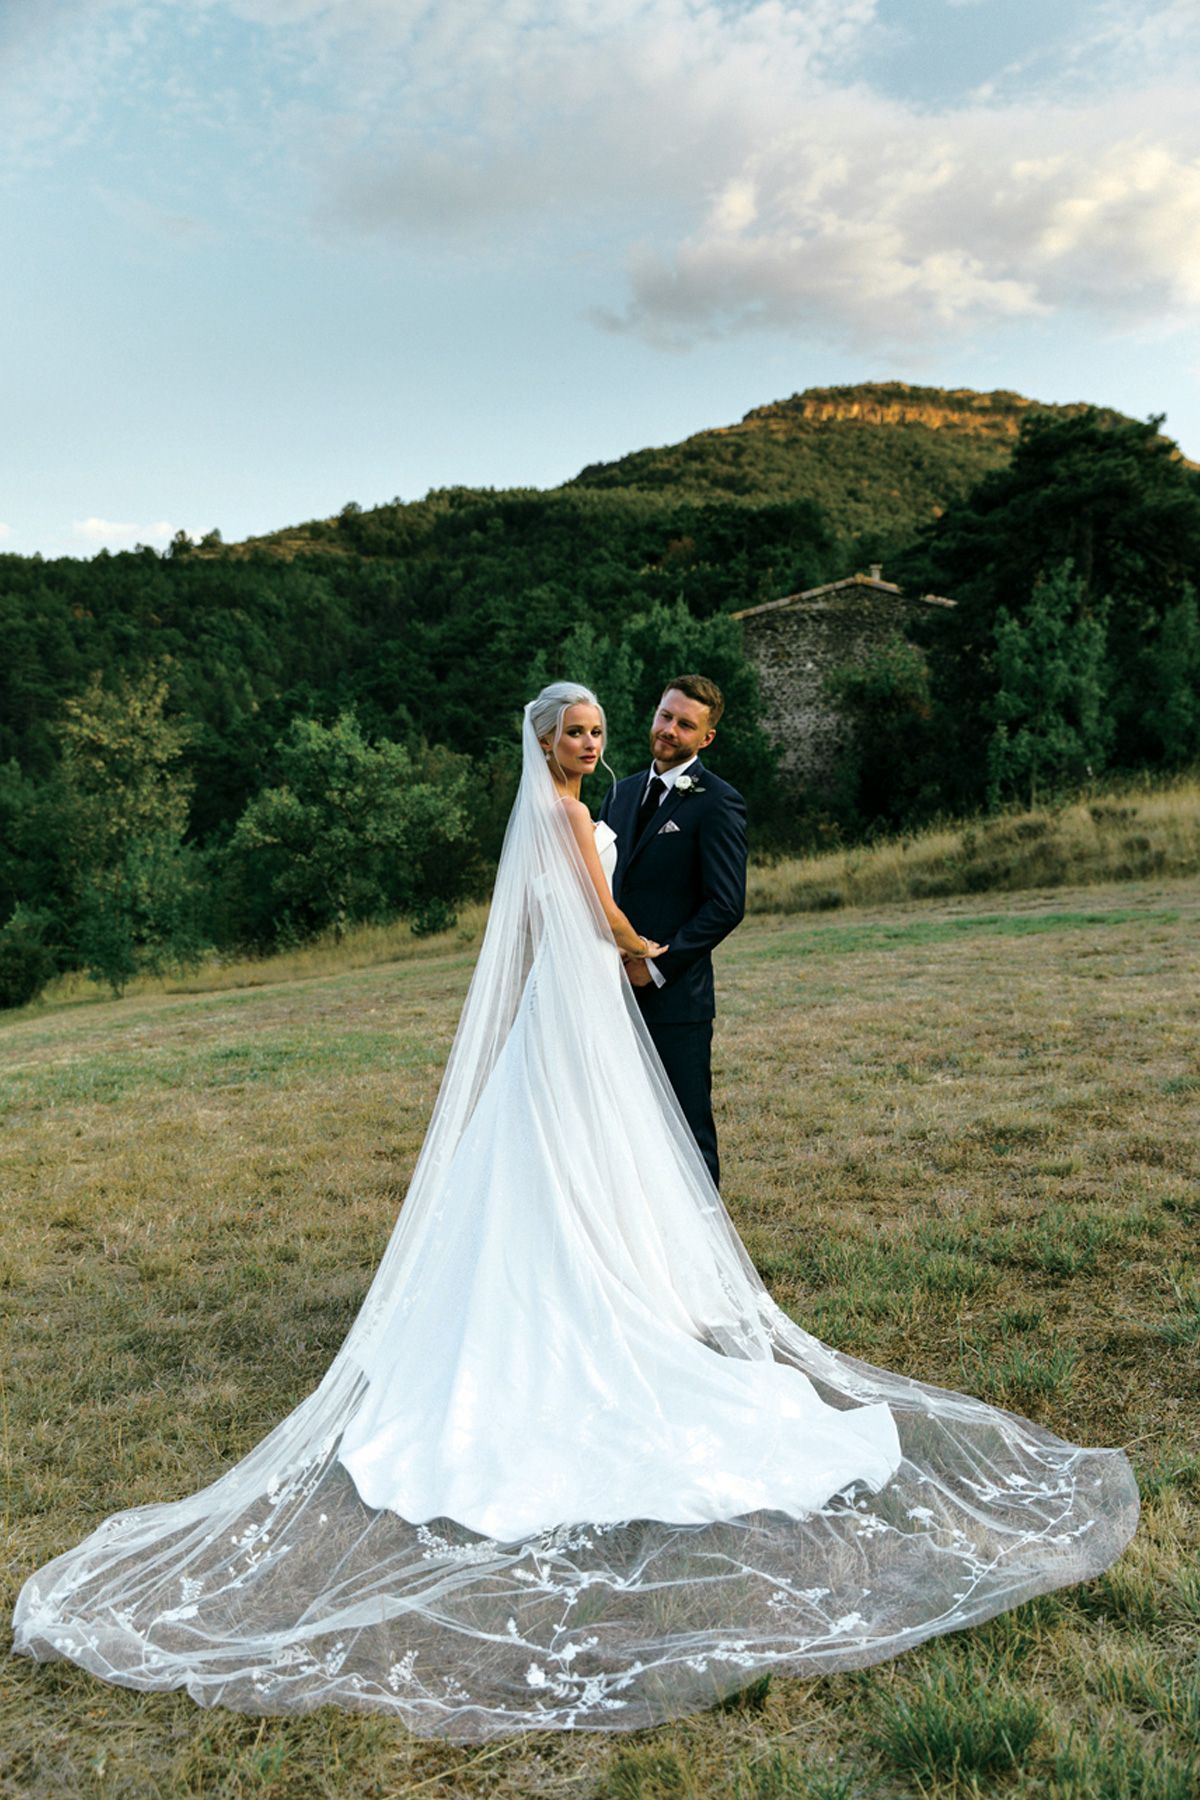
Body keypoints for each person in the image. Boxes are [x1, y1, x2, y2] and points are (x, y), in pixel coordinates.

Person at [13, 682, 1138, 1739]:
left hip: (606, 1004)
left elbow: (702, 900)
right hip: (587, 1000)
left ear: (687, 735)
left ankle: (631, 1277)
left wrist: (658, 959)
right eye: (586, 731)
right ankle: (596, 1293)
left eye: (610, 730)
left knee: (612, 1149)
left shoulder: (598, 803)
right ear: (548, 739)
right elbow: (599, 910)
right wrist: (635, 951)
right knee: (569, 1148)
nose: (601, 744)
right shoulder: (567, 813)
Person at [600, 675, 746, 1186]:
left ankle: (706, 1252)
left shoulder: (717, 802)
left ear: (705, 738)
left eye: (686, 724)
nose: (670, 730)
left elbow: (726, 904)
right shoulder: (617, 794)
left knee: (686, 1131)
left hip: (675, 998)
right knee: (618, 1125)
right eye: (666, 715)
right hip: (607, 990)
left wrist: (656, 966)